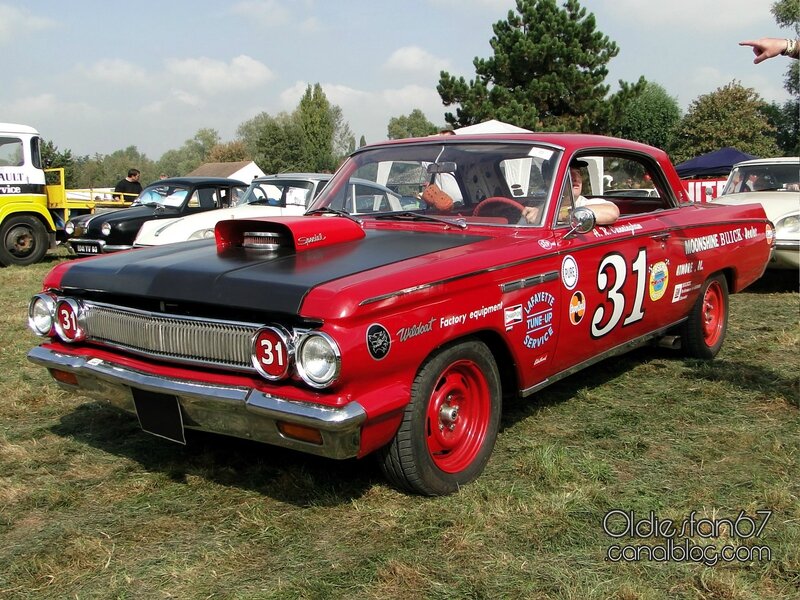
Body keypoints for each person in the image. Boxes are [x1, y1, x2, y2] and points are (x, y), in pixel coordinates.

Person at [522, 160, 619, 225]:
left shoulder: (588, 204)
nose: (575, 178)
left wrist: (554, 216)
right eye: (567, 173)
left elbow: (612, 213)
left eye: (578, 172)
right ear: (549, 181)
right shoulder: (540, 210)